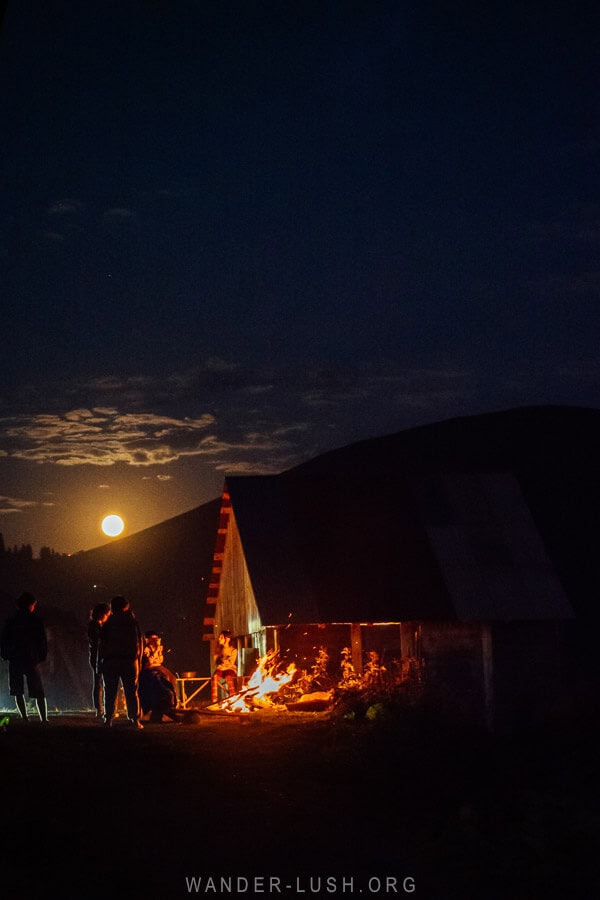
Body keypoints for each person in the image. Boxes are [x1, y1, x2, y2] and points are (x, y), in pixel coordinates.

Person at [0, 592, 49, 723]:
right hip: (31, 658)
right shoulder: (36, 621)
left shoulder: (11, 621)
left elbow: (4, 639)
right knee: (38, 690)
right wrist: (42, 655)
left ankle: (25, 718)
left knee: (17, 689)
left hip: (15, 658)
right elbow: (42, 640)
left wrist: (5, 654)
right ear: (31, 605)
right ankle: (43, 719)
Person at [98, 595, 144, 729]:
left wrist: (100, 662)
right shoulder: (132, 622)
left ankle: (108, 719)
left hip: (111, 660)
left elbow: (103, 643)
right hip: (129, 660)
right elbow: (138, 643)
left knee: (110, 691)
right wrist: (138, 661)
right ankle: (135, 719)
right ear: (126, 606)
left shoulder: (108, 623)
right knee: (131, 691)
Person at [139, 631, 181, 723]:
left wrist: (158, 649)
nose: (155, 640)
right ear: (147, 639)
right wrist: (156, 650)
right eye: (152, 639)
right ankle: (162, 704)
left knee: (171, 677)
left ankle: (173, 701)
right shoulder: (145, 649)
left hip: (158, 666)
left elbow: (160, 660)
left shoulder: (159, 647)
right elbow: (149, 662)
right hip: (149, 669)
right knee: (159, 681)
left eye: (156, 639)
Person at [87, 602, 110, 718]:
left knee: (99, 682)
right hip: (98, 657)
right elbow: (97, 640)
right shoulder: (94, 625)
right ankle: (100, 709)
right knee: (100, 683)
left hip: (96, 656)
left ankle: (100, 709)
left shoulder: (94, 625)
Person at [210, 630, 237, 703]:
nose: (219, 639)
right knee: (214, 677)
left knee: (229, 676)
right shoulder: (218, 650)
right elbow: (216, 663)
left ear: (227, 639)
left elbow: (231, 663)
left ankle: (233, 697)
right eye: (219, 637)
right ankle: (214, 701)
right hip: (221, 669)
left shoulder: (233, 650)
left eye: (221, 637)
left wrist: (222, 662)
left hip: (229, 669)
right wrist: (224, 661)